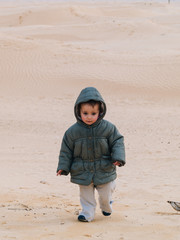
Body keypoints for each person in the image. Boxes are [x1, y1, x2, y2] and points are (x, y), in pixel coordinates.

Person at [57, 87, 125, 222]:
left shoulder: (108, 128)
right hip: (82, 170)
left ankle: (107, 205)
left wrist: (118, 157)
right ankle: (87, 213)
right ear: (78, 112)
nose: (89, 117)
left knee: (105, 194)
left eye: (93, 113)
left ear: (100, 112)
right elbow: (66, 150)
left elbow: (117, 141)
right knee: (86, 195)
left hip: (103, 168)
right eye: (85, 113)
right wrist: (63, 167)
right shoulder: (72, 132)